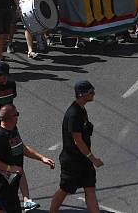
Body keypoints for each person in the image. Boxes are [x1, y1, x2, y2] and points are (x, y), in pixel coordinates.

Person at [0, 104, 55, 213]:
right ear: (10, 118)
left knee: (0, 209)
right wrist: (10, 168)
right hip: (3, 184)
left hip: (11, 182)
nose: (18, 116)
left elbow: (22, 147)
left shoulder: (12, 130)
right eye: (16, 114)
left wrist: (42, 158)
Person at [49, 80, 103, 213]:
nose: (94, 93)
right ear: (82, 94)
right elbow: (77, 141)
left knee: (90, 188)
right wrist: (93, 159)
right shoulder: (73, 114)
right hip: (73, 161)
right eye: (91, 92)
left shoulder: (81, 110)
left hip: (84, 160)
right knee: (65, 189)